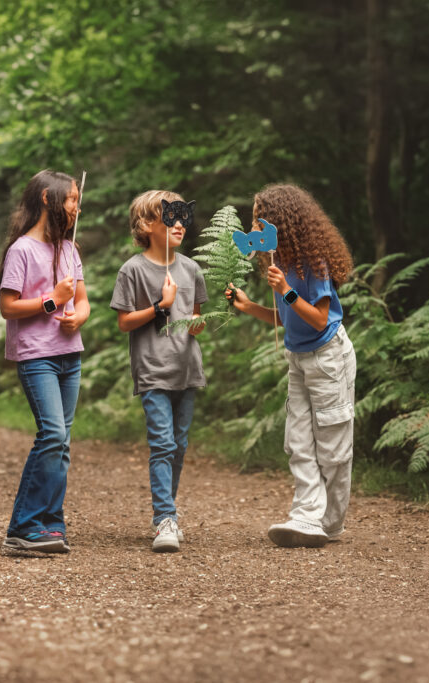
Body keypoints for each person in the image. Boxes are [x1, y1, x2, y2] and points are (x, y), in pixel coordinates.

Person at [225, 183, 357, 548]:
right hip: (297, 359)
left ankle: (329, 523)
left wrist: (286, 290)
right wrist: (250, 306)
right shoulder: (277, 263)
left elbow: (317, 319)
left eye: (258, 218)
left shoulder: (313, 262)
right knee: (298, 441)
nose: (253, 225)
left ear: (279, 221)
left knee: (332, 447)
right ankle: (306, 515)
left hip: (329, 358)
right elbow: (288, 320)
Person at [0, 169, 90, 553]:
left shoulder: (69, 249)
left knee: (62, 442)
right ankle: (22, 528)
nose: (76, 205)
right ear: (48, 199)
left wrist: (77, 315)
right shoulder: (21, 250)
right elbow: (8, 308)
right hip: (37, 357)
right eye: (71, 198)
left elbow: (82, 302)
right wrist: (52, 299)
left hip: (70, 355)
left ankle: (50, 524)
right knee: (51, 434)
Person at [110, 190, 207, 553]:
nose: (179, 223)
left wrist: (197, 323)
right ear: (148, 225)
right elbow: (124, 322)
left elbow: (196, 316)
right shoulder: (133, 269)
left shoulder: (192, 269)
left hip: (187, 369)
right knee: (163, 444)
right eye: (171, 217)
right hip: (152, 370)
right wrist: (160, 306)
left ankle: (169, 513)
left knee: (179, 446)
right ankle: (164, 517)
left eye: (183, 216)